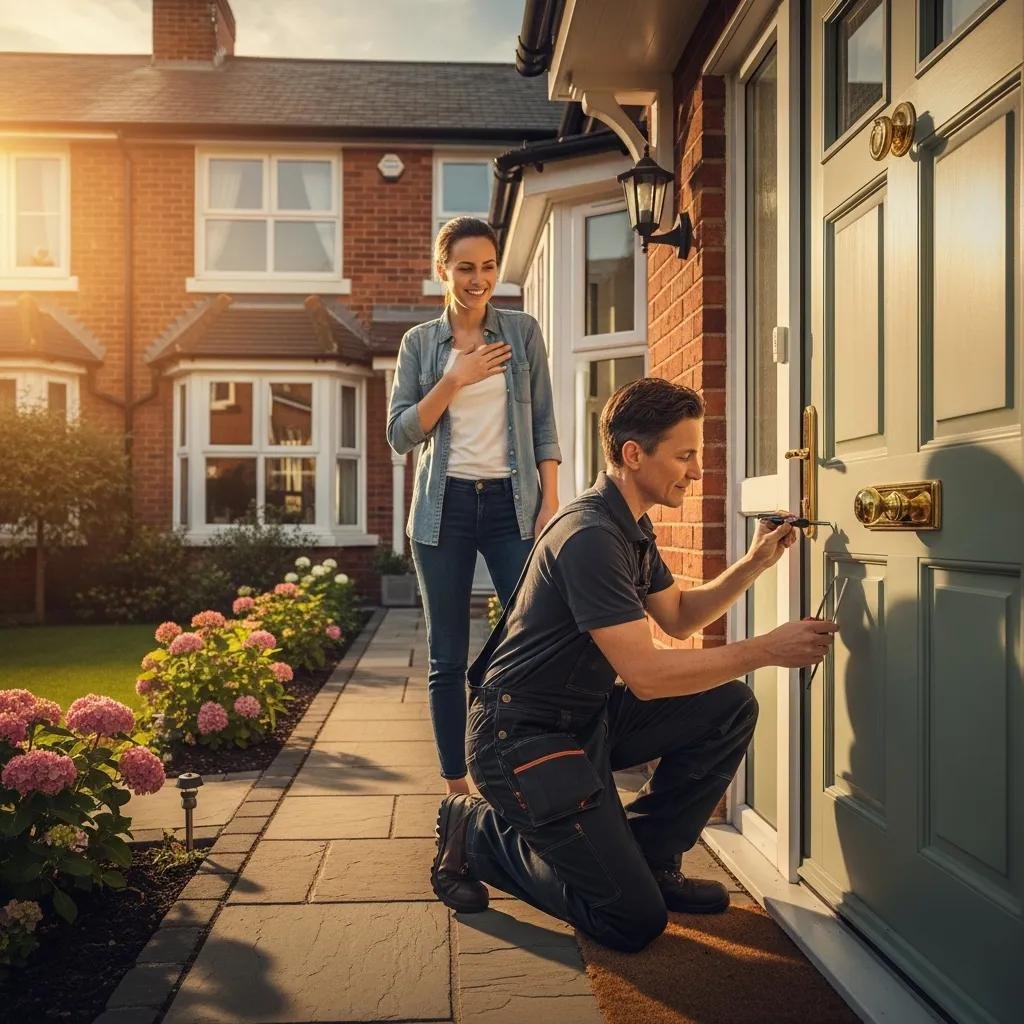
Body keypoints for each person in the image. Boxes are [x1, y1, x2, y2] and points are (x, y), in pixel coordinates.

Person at [429, 376, 838, 952]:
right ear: (633, 454)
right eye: (686, 454)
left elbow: (677, 618)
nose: (696, 470)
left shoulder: (629, 526)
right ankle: (477, 834)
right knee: (631, 922)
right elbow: (646, 677)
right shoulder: (590, 536)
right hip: (519, 739)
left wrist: (752, 563)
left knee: (728, 704)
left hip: (582, 720)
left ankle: (649, 858)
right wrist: (767, 649)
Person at [387, 216, 561, 798]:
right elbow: (400, 435)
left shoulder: (522, 332)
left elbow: (542, 424)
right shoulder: (419, 344)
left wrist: (550, 501)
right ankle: (457, 791)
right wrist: (454, 379)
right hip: (445, 509)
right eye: (466, 267)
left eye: (488, 267)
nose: (478, 279)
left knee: (526, 642)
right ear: (443, 271)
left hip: (514, 506)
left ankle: (515, 769)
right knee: (447, 656)